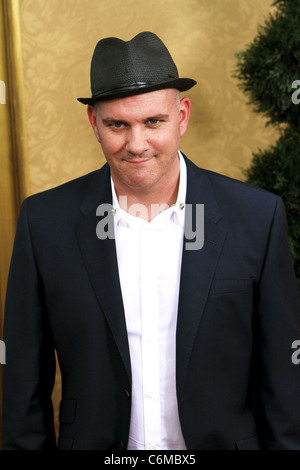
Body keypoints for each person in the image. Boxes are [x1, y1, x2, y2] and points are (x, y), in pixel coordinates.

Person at [2, 31, 300, 451]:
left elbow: (285, 383)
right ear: (94, 124)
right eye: (117, 124)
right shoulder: (44, 222)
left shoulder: (256, 217)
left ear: (182, 116)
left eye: (153, 122)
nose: (136, 143)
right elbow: (22, 386)